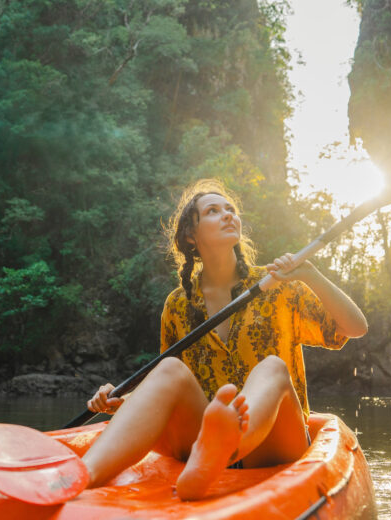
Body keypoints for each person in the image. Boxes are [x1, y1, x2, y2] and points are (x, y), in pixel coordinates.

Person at [81, 178, 368, 500]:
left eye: (231, 209)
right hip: (202, 434)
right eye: (213, 211)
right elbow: (168, 391)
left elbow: (355, 328)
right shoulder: (178, 304)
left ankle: (224, 450)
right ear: (191, 235)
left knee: (272, 367)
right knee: (168, 370)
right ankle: (83, 475)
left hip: (274, 441)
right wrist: (121, 401)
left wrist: (310, 274)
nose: (228, 215)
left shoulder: (279, 285)